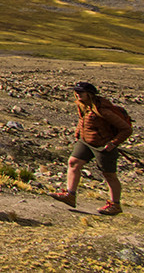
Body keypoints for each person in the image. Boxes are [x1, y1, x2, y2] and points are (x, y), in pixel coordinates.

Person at [49, 81, 132, 215]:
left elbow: (126, 129)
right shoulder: (82, 105)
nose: (77, 94)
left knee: (109, 175)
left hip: (103, 145)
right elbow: (82, 119)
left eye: (81, 92)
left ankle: (115, 205)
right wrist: (78, 133)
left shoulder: (103, 110)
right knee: (73, 163)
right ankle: (70, 195)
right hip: (86, 141)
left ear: (90, 94)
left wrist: (113, 143)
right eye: (76, 92)